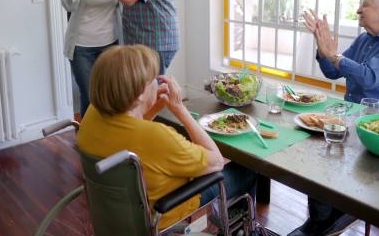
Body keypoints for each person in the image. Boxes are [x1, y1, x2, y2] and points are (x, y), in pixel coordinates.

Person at [288, 0, 379, 236]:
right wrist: (323, 48)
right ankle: (323, 219)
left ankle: (335, 216)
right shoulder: (365, 39)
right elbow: (333, 70)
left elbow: (370, 77)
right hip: (354, 119)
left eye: (365, 5)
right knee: (313, 146)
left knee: (326, 151)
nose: (358, 10)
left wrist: (334, 55)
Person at [77, 45, 256, 230]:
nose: (156, 83)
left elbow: (130, 127)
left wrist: (155, 105)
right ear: (139, 94)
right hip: (166, 213)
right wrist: (180, 109)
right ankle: (242, 229)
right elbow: (216, 161)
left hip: (117, 217)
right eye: (152, 80)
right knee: (247, 169)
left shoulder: (91, 116)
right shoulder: (156, 136)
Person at [61, 0, 123, 118]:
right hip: (82, 48)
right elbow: (69, 4)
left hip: (109, 45)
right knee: (89, 95)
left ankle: (105, 135)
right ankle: (86, 138)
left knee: (109, 94)